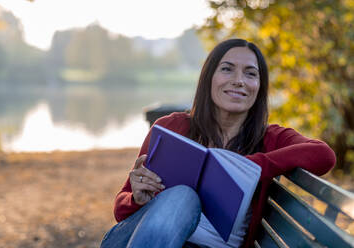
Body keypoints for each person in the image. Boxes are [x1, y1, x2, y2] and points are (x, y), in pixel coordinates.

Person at [99, 39, 336, 248]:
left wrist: (250, 166)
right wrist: (136, 198)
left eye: (250, 74)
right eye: (227, 69)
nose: (239, 81)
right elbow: (121, 211)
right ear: (209, 78)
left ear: (259, 87)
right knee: (183, 196)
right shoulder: (170, 127)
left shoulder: (271, 138)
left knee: (184, 196)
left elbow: (324, 155)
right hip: (136, 238)